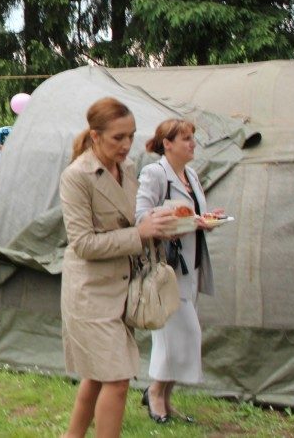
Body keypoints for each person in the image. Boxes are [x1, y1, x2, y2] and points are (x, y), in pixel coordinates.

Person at [59, 97, 177, 438]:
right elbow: (83, 244)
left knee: (99, 376)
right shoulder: (76, 176)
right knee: (117, 378)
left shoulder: (126, 169)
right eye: (118, 137)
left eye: (132, 136)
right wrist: (139, 234)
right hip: (90, 292)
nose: (127, 144)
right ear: (95, 136)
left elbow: (132, 222)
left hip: (122, 288)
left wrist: (167, 226)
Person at [135, 119, 221, 424]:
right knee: (177, 333)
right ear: (167, 144)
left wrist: (204, 220)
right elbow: (141, 217)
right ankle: (155, 392)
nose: (192, 143)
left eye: (192, 138)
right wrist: (181, 221)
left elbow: (193, 215)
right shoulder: (155, 174)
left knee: (182, 335)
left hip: (190, 265)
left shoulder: (191, 175)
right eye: (185, 138)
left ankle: (164, 398)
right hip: (166, 268)